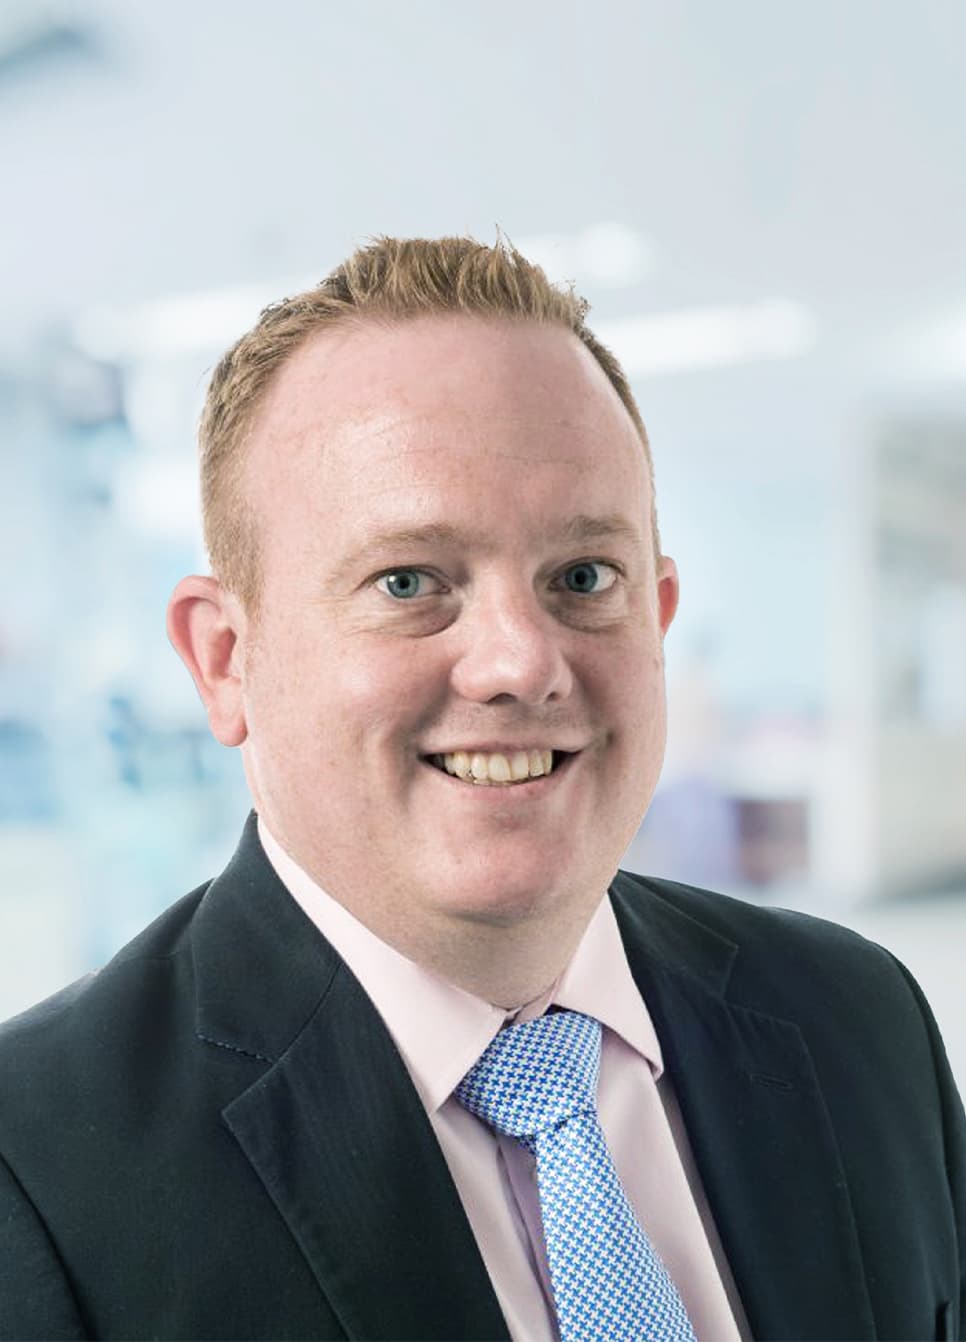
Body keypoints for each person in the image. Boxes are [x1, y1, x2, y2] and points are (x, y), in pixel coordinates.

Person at [0, 234, 963, 1342]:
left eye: (583, 577)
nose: (520, 662)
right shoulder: (36, 1175)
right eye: (408, 581)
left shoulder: (858, 1018)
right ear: (224, 659)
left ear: (657, 619)